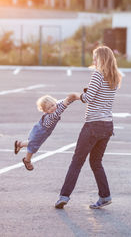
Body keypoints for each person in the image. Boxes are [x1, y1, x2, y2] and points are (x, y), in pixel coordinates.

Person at [55, 45, 122, 209]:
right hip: (107, 125)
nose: (93, 60)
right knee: (96, 162)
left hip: (93, 124)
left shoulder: (98, 74)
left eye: (95, 57)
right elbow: (100, 96)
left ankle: (64, 196)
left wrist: (76, 96)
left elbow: (88, 97)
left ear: (101, 58)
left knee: (77, 161)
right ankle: (105, 196)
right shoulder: (114, 77)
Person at [14, 94, 77, 171]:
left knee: (32, 142)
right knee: (34, 146)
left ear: (55, 102)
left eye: (53, 105)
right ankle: (27, 160)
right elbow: (59, 111)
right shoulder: (50, 117)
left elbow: (64, 101)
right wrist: (66, 102)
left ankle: (19, 144)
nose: (52, 108)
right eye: (49, 108)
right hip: (40, 132)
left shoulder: (56, 105)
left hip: (40, 129)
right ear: (45, 111)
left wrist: (74, 98)